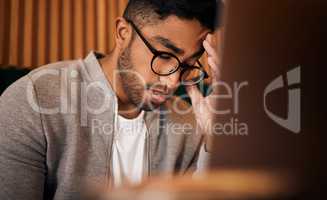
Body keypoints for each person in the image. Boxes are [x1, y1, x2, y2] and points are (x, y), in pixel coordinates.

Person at [0, 0, 221, 199]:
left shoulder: (190, 122)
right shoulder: (33, 101)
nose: (173, 82)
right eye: (164, 56)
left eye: (187, 65)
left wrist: (215, 141)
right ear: (123, 33)